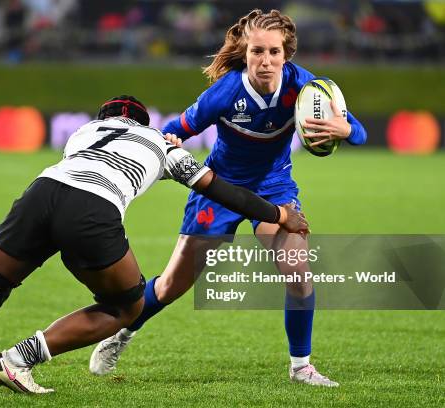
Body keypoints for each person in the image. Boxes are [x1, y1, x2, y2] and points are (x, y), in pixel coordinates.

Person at [0, 95, 308, 394]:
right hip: (94, 207)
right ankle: (19, 357)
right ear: (141, 121)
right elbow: (221, 190)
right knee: (125, 308)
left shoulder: (83, 133)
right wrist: (279, 214)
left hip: (41, 194)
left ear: (106, 118)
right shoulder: (162, 145)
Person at [90, 10, 367, 387]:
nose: (265, 61)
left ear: (287, 54)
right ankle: (122, 333)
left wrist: (345, 127)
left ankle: (301, 367)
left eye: (273, 52)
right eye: (257, 52)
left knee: (298, 271)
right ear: (245, 50)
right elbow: (175, 130)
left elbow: (360, 134)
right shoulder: (224, 93)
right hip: (219, 189)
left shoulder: (307, 88)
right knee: (172, 285)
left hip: (274, 189)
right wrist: (169, 141)